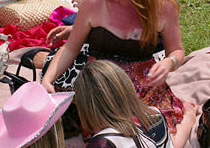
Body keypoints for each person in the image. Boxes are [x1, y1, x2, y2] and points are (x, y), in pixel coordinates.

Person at [38, 0, 186, 128]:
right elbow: (70, 47)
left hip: (143, 87)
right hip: (101, 85)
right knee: (106, 133)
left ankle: (191, 112)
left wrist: (169, 62)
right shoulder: (93, 2)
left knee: (153, 129)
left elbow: (177, 51)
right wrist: (47, 80)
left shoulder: (164, 7)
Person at [71, 57, 199, 148]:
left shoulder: (103, 143)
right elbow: (173, 144)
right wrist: (189, 116)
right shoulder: (155, 114)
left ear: (86, 107)